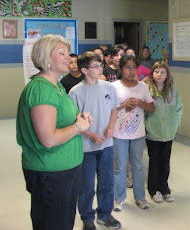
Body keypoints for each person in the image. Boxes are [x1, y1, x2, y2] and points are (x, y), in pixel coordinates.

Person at [16, 34, 91, 230]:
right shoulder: (42, 90)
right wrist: (78, 127)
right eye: (62, 53)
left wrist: (78, 119)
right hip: (50, 173)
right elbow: (48, 139)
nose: (69, 58)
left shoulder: (56, 87)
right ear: (46, 58)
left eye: (68, 53)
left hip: (66, 169)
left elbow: (59, 118)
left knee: (64, 223)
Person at [69, 52, 121, 230]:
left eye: (100, 65)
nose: (100, 68)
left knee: (107, 181)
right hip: (86, 146)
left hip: (106, 144)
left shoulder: (108, 87)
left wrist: (111, 127)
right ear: (84, 70)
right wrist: (90, 135)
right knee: (87, 184)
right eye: (96, 66)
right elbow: (75, 120)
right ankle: (87, 217)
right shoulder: (76, 92)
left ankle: (105, 214)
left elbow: (114, 109)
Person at [112, 55, 155, 211]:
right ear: (121, 69)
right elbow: (109, 109)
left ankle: (140, 197)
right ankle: (119, 198)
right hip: (119, 134)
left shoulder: (142, 87)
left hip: (138, 134)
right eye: (127, 67)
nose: (131, 71)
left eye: (134, 68)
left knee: (137, 166)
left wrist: (140, 103)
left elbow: (152, 107)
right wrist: (123, 105)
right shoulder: (114, 87)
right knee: (120, 166)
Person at [145, 61, 182, 203]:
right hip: (153, 133)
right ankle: (153, 189)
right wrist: (146, 127)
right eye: (156, 71)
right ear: (152, 74)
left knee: (165, 162)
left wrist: (175, 125)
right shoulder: (147, 90)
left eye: (162, 72)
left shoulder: (173, 90)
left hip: (168, 133)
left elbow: (179, 109)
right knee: (154, 161)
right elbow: (143, 112)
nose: (159, 75)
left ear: (167, 75)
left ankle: (164, 187)